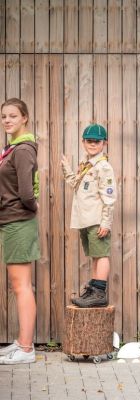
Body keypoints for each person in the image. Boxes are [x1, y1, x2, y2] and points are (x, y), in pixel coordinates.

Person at [0, 98, 40, 364]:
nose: (7, 121)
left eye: (13, 116)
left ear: (24, 118)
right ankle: (20, 342)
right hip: (11, 220)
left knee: (21, 286)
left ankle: (26, 349)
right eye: (3, 116)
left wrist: (32, 206)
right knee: (19, 285)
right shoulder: (11, 148)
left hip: (19, 221)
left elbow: (26, 192)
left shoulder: (23, 149)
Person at [61, 124, 117, 308]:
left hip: (96, 220)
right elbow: (76, 184)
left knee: (101, 255)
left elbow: (109, 197)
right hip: (85, 219)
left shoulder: (104, 167)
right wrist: (67, 169)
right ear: (83, 142)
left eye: (97, 141)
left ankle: (99, 292)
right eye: (89, 140)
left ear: (105, 143)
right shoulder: (86, 165)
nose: (93, 144)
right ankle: (93, 289)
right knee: (95, 255)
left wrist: (106, 222)